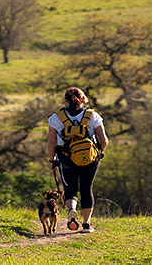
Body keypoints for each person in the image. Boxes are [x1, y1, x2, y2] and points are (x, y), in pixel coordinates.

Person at [47, 86, 109, 233]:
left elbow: (51, 143)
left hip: (66, 159)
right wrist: (99, 153)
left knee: (70, 188)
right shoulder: (92, 116)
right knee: (87, 188)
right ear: (83, 99)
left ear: (66, 100)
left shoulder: (55, 118)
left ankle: (72, 210)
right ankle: (87, 224)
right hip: (90, 160)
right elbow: (104, 140)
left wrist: (52, 160)